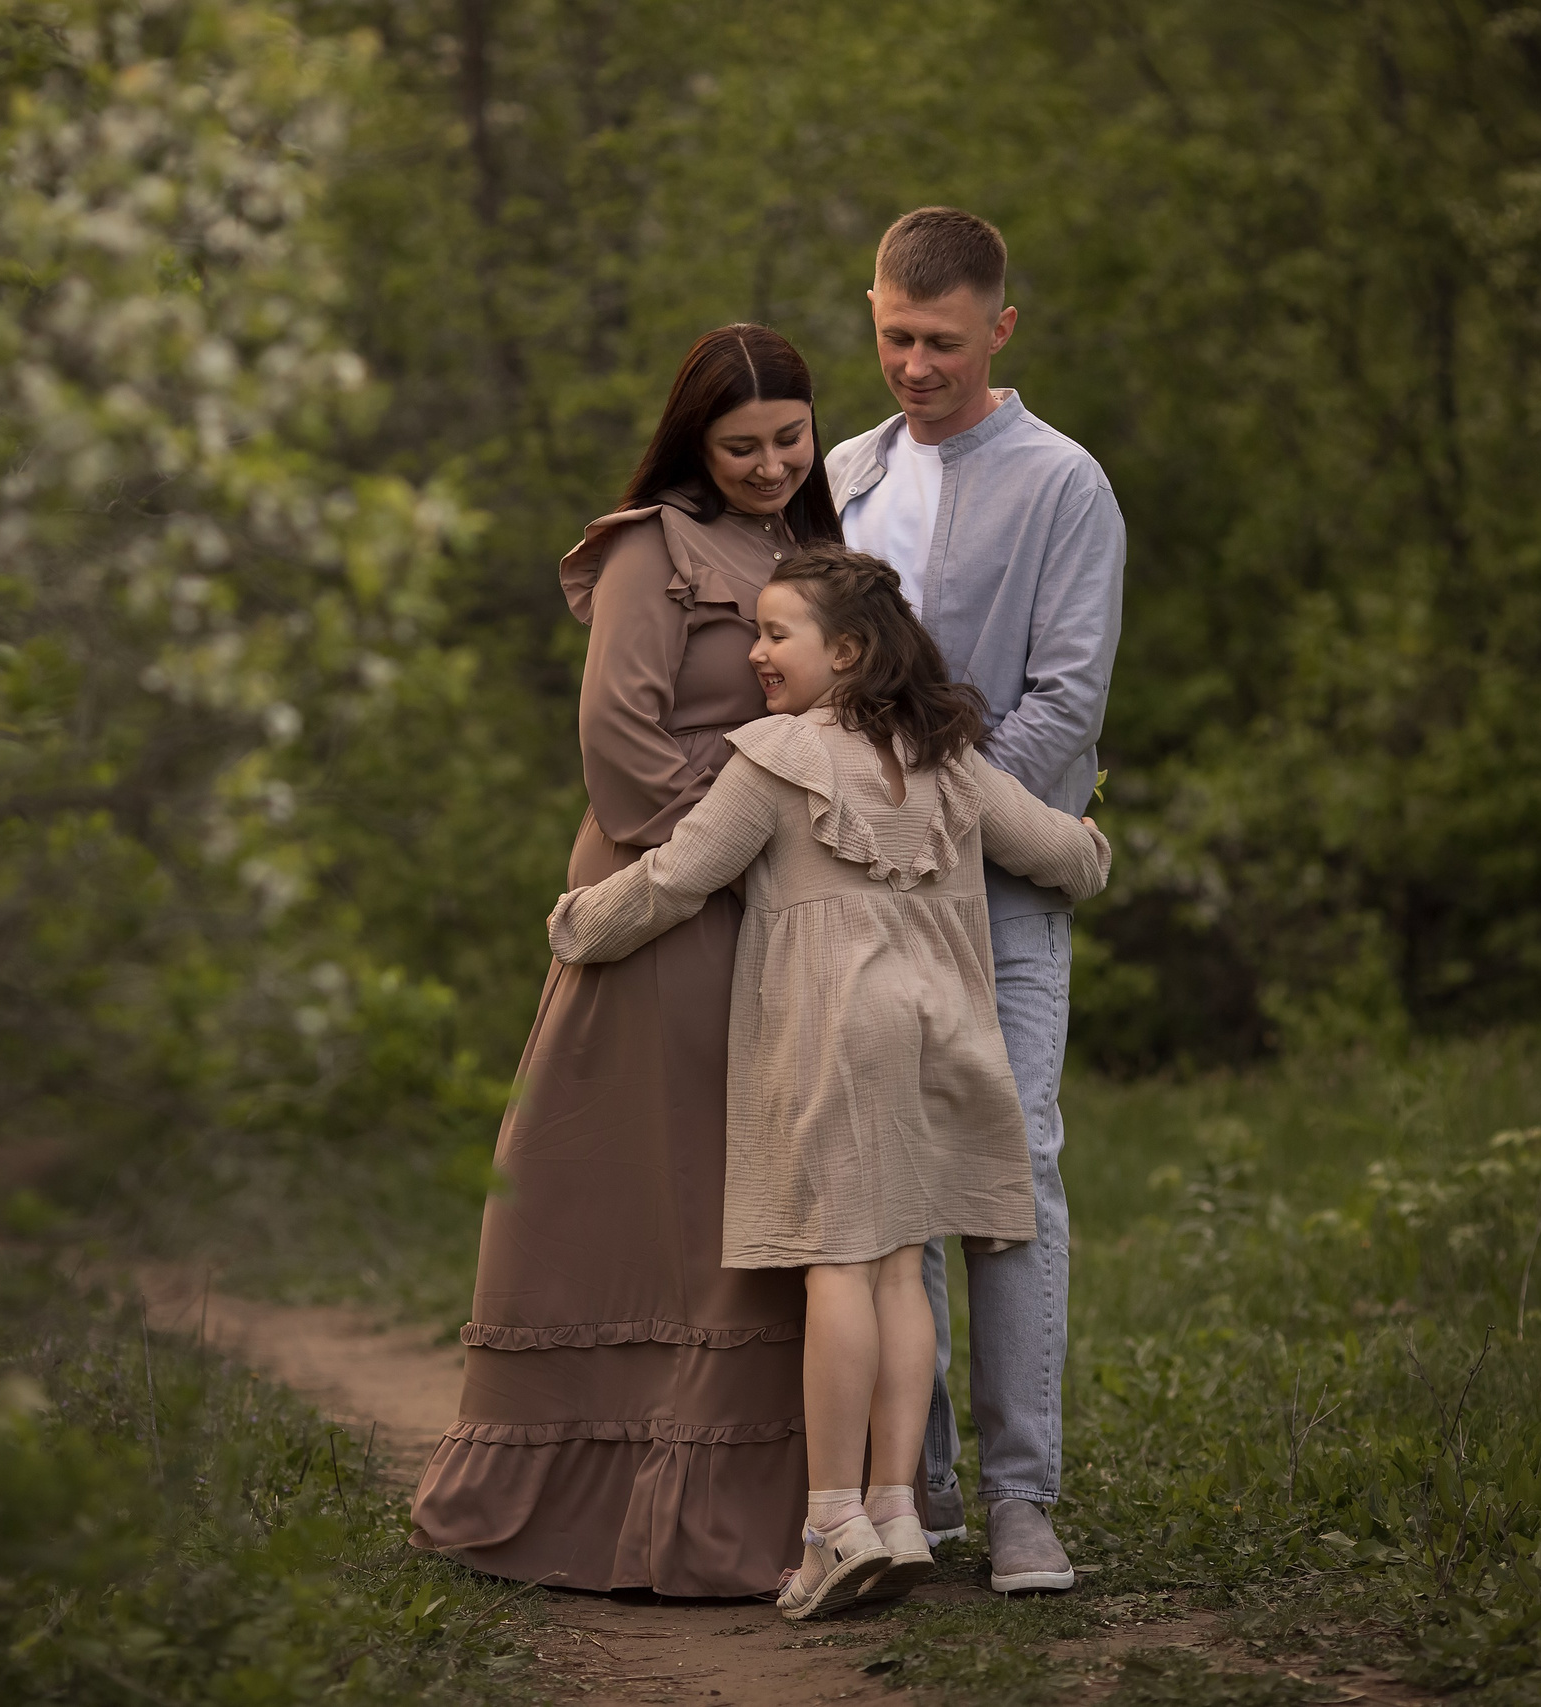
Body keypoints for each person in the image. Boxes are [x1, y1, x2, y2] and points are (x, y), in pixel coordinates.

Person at [546, 546, 1110, 1619]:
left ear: (844, 652)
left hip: (834, 1036)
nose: (754, 654)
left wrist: (577, 924)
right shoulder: (950, 758)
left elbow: (678, 876)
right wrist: (1093, 845)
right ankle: (897, 1509)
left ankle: (830, 1524)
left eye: (775, 634)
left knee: (838, 1273)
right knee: (900, 1273)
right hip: (941, 1035)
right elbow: (1063, 857)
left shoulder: (775, 759)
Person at [407, 325, 843, 1596]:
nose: (769, 464)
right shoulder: (651, 548)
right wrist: (757, 820)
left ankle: (750, 1511)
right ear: (691, 443)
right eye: (740, 445)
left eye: (789, 438)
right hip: (666, 900)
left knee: (757, 1197)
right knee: (653, 1193)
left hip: (790, 910)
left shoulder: (815, 549)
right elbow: (621, 749)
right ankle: (594, 1507)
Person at [824, 207, 1126, 1595]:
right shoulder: (843, 477)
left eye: (943, 342)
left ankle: (1021, 1498)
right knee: (892, 1186)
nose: (915, 367)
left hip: (998, 894)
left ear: (1000, 329)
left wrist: (934, 814)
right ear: (872, 314)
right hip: (859, 900)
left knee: (1009, 1184)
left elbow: (1067, 700)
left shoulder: (1065, 484)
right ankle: (921, 1487)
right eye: (895, 336)